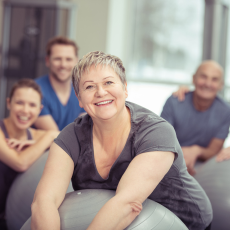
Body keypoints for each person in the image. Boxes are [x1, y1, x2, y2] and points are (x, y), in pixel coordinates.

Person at [31, 51, 212, 230]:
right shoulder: (71, 137)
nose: (100, 92)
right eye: (89, 87)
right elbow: (44, 201)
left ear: (125, 88)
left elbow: (127, 204)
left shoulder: (155, 132)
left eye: (109, 82)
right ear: (79, 98)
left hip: (186, 222)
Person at [0, 79, 59, 228]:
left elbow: (73, 139)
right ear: (9, 103)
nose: (25, 110)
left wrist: (39, 142)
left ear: (40, 109)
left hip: (20, 220)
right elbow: (20, 163)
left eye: (32, 105)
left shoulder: (39, 136)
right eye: (19, 103)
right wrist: (49, 136)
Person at [161, 60, 230, 175]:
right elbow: (161, 140)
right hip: (169, 159)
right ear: (194, 79)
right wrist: (181, 160)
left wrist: (196, 150)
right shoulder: (175, 102)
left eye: (214, 79)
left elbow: (214, 150)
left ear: (221, 85)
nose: (208, 83)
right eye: (203, 77)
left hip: (203, 166)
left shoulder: (225, 111)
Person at [34, 36, 85, 131]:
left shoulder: (82, 90)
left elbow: (83, 130)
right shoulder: (34, 91)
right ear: (47, 61)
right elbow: (56, 138)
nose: (63, 65)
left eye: (69, 59)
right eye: (57, 59)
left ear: (76, 61)